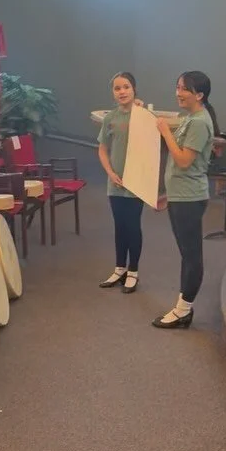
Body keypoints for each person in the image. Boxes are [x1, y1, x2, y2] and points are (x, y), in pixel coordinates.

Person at [153, 71, 218, 329]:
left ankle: (183, 309)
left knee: (191, 256)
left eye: (184, 89)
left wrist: (164, 131)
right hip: (181, 196)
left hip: (190, 199)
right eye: (177, 87)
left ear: (199, 95)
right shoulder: (191, 118)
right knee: (186, 254)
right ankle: (183, 308)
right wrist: (170, 195)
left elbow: (183, 160)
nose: (178, 93)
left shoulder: (200, 122)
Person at [97, 72, 144, 294]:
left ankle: (133, 270)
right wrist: (110, 172)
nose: (122, 91)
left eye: (126, 87)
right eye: (117, 88)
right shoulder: (110, 118)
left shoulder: (142, 115)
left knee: (133, 226)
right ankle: (119, 268)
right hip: (115, 182)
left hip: (136, 183)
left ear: (134, 89)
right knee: (120, 226)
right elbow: (103, 149)